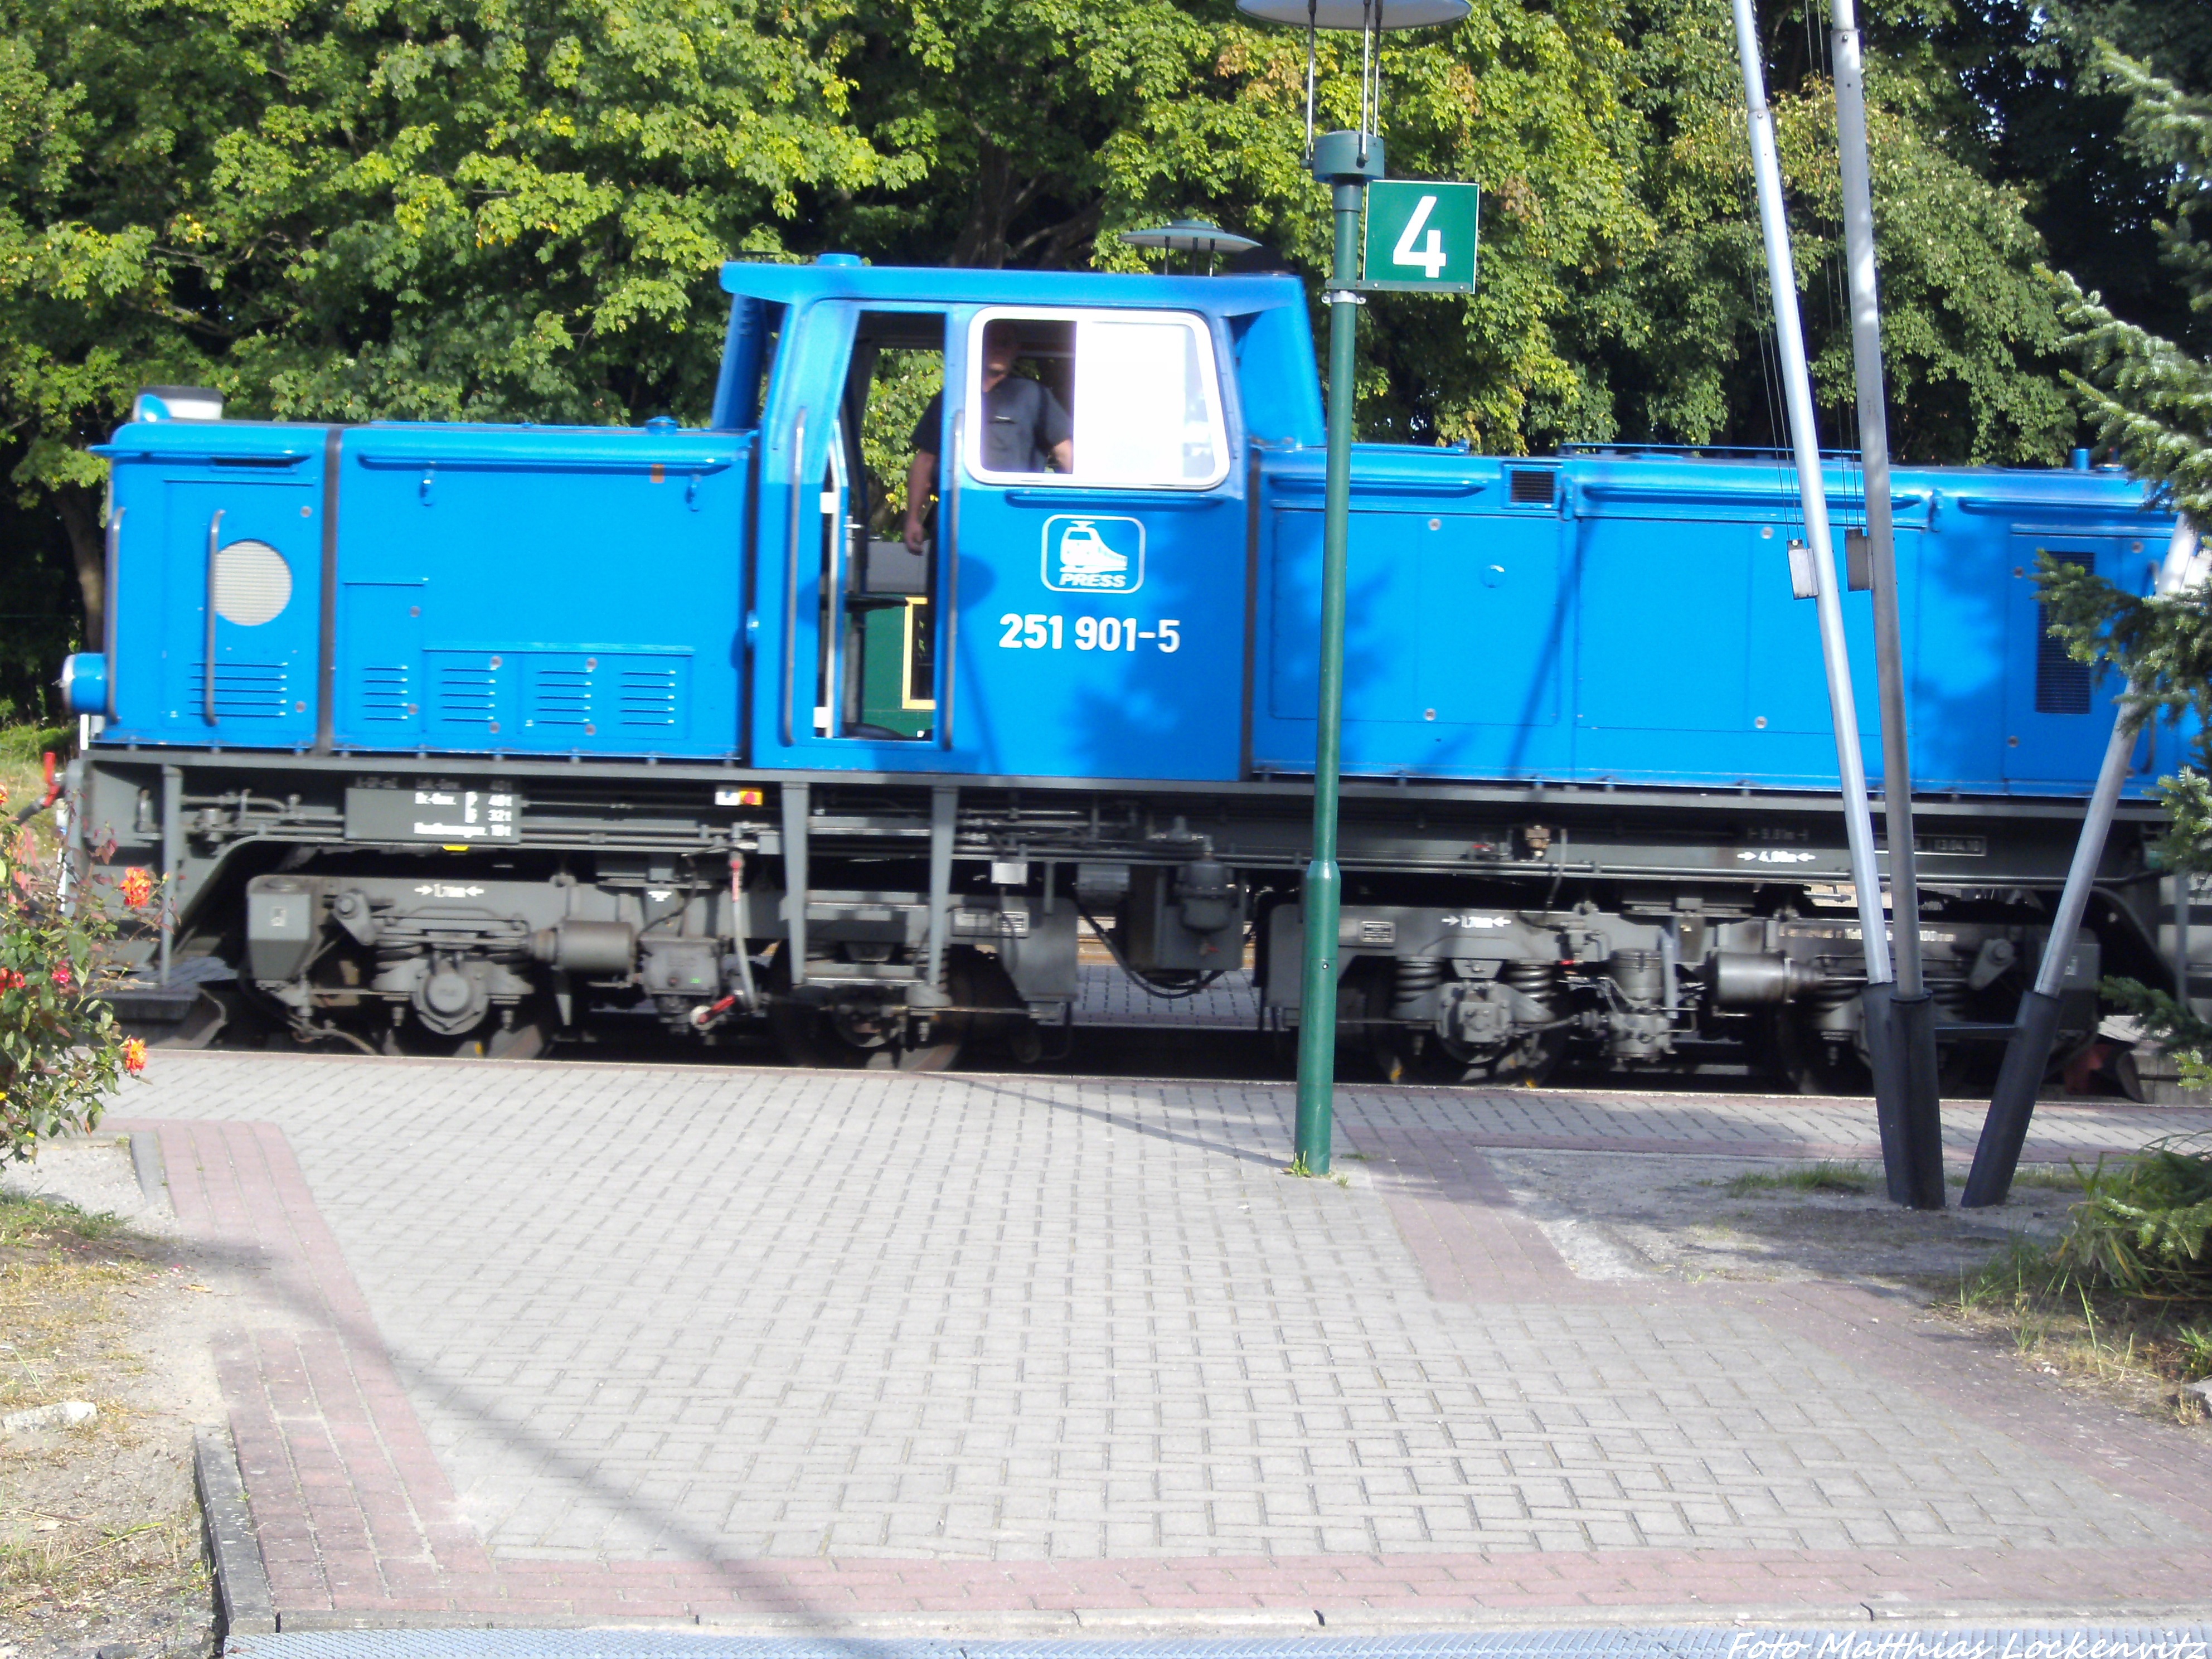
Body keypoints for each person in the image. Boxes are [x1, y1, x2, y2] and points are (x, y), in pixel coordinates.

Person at [904, 322, 1073, 552]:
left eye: (1007, 343)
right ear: (979, 345)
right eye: (993, 341)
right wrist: (912, 519)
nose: (1000, 347)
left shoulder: (1033, 395)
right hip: (955, 519)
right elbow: (925, 461)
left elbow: (1066, 454)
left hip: (1015, 518)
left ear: (1016, 349)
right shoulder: (950, 398)